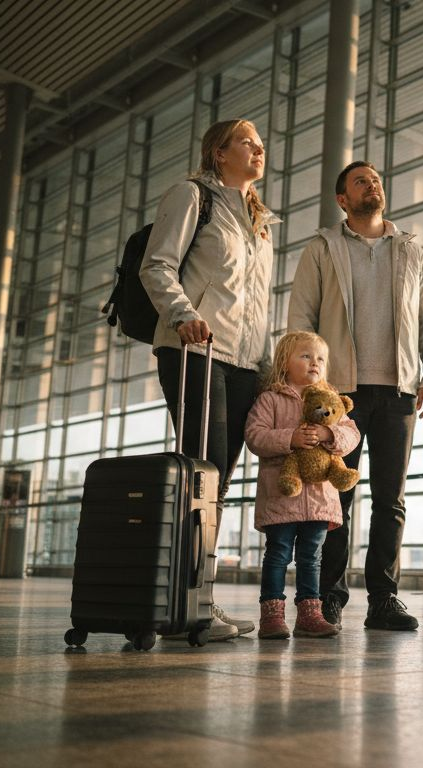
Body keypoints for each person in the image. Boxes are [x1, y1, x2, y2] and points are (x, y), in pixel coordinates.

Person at [288, 160, 423, 631]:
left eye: (375, 179)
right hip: (339, 393)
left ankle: (384, 599)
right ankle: (329, 597)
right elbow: (302, 318)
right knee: (336, 497)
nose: (372, 184)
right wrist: (306, 383)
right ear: (343, 199)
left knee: (390, 499)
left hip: (399, 390)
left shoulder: (410, 250)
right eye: (361, 181)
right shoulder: (323, 248)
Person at [141, 118, 279, 641]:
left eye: (260, 144)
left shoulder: (259, 221)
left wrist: (266, 365)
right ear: (218, 153)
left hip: (244, 364)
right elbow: (157, 265)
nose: (257, 149)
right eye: (246, 142)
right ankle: (185, 604)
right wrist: (182, 314)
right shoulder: (192, 196)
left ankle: (197, 598)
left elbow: (256, 304)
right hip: (195, 349)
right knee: (204, 474)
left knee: (217, 482)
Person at [244, 331, 359, 639]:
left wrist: (329, 434)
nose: (314, 363)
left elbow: (352, 434)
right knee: (278, 554)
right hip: (281, 496)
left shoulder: (331, 400)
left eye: (320, 358)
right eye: (305, 356)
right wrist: (290, 438)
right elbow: (254, 436)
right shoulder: (270, 399)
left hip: (320, 500)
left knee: (312, 558)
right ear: (285, 361)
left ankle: (310, 614)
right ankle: (272, 614)